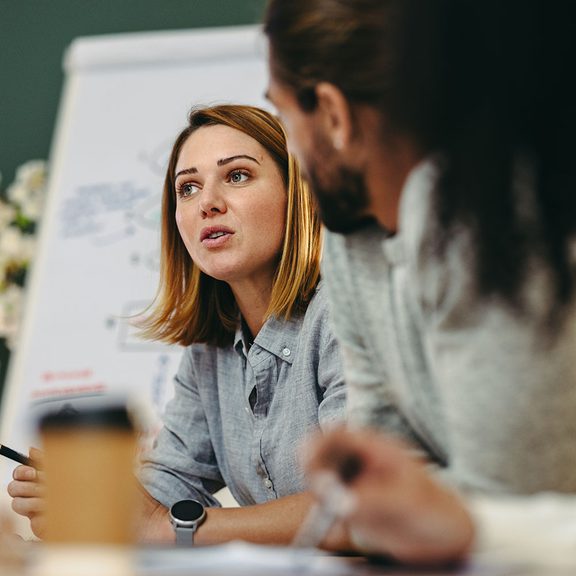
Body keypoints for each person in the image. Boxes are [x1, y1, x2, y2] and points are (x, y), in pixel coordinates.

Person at [263, 0, 576, 565]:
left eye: (283, 116)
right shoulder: (349, 241)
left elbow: (510, 501)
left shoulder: (498, 220)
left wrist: (430, 514)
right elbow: (386, 489)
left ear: (333, 115)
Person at [8, 104, 347, 546]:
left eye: (238, 176)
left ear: (297, 194)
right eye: (187, 188)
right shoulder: (212, 349)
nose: (207, 203)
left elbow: (363, 506)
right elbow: (170, 486)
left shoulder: (347, 316)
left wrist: (163, 527)